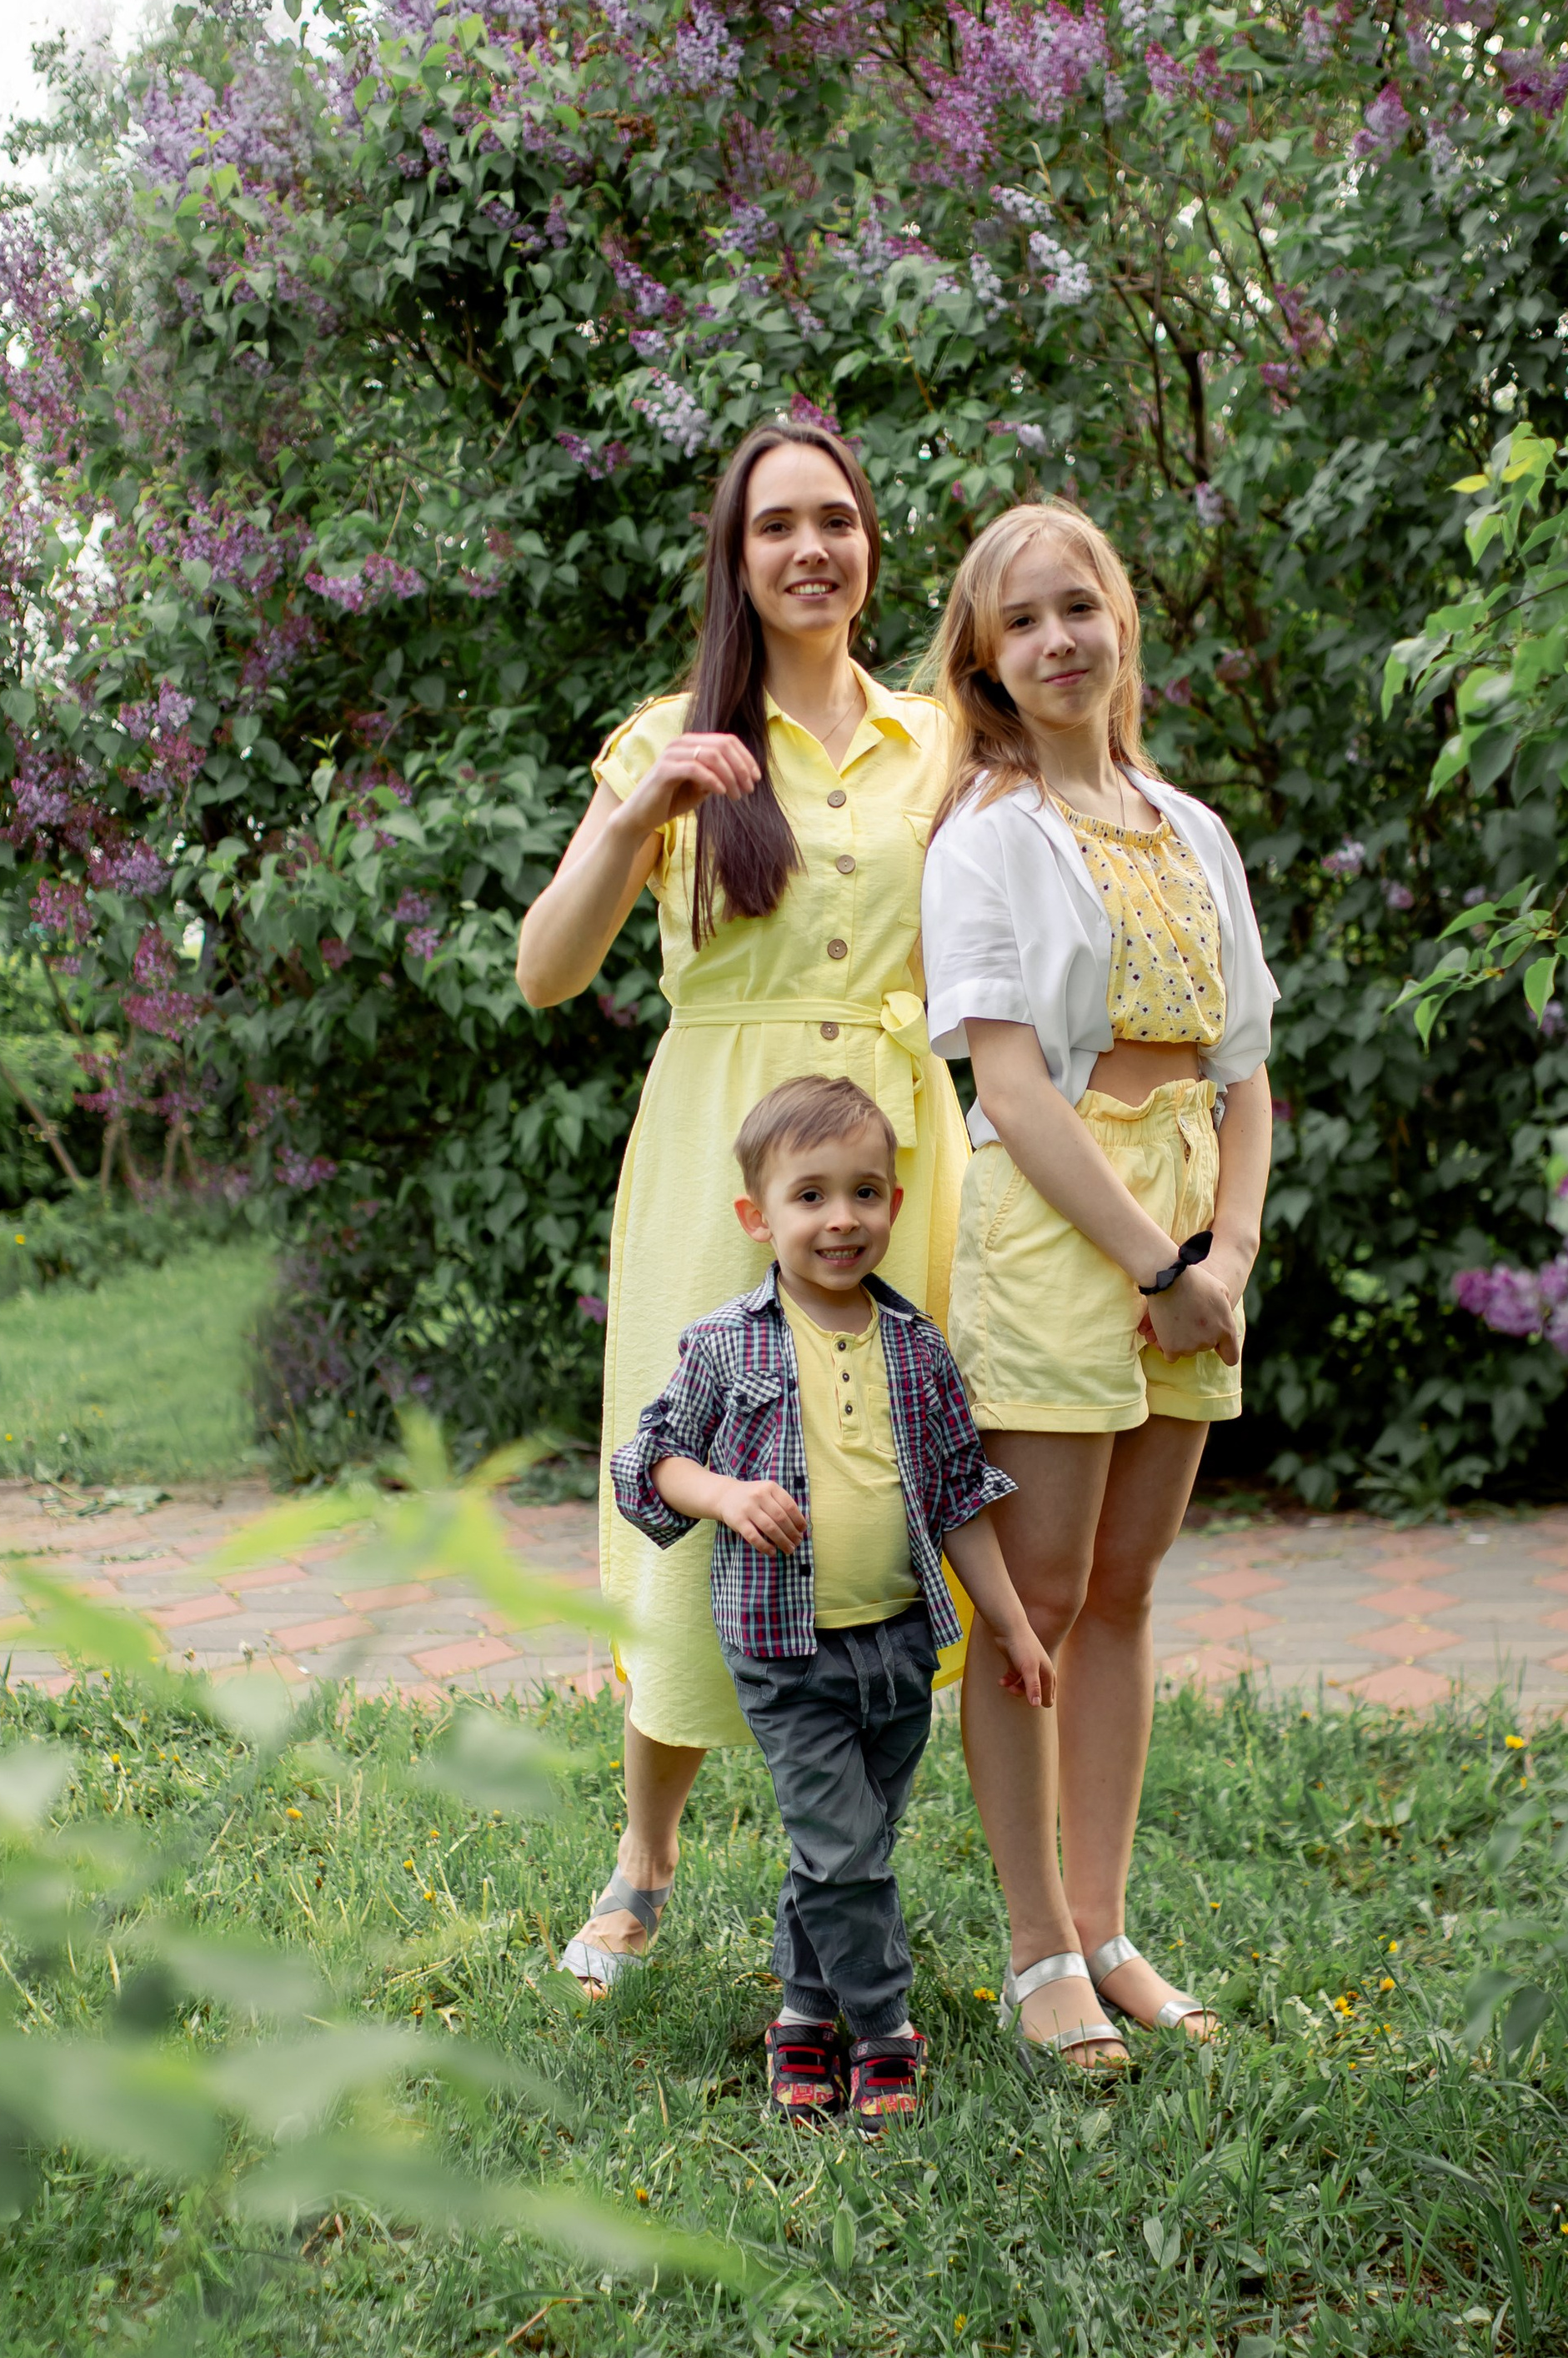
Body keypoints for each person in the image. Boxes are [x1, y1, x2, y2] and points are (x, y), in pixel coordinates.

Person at [515, 422, 967, 1994]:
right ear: (737, 554)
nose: (810, 548)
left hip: (898, 1151)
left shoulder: (938, 741)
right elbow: (548, 970)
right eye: (777, 524)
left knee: (874, 1482)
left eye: (836, 519)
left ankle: (845, 1863)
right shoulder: (670, 739)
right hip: (724, 1145)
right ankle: (645, 1852)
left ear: (872, 547)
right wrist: (634, 812)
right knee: (709, 1454)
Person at [918, 501, 1278, 2070]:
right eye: (1023, 620)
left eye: (1080, 606)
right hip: (1065, 1227)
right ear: (986, 662)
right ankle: (1036, 1950)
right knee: (1039, 1603)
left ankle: (1109, 1927)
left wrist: (1226, 1256)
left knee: (1127, 1589)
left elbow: (1247, 1071)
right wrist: (1153, 1262)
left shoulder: (1193, 828)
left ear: (1121, 622)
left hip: (1195, 1221)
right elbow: (1010, 1085)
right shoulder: (985, 838)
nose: (1059, 639)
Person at [610, 1076, 1054, 2124]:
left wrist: (1013, 1623)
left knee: (845, 1849)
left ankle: (803, 2014)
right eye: (809, 1196)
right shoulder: (727, 1342)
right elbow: (650, 1461)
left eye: (864, 1191)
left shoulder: (917, 1348)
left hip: (898, 1645)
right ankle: (884, 2028)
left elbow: (957, 1497)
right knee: (845, 1847)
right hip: (786, 1649)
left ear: (896, 1202)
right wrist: (725, 1494)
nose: (841, 1218)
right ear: (757, 1216)